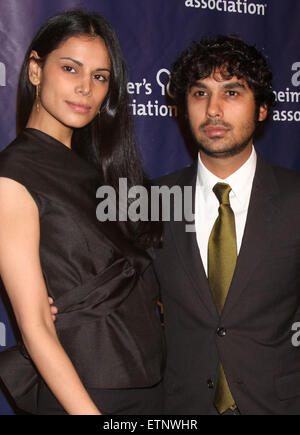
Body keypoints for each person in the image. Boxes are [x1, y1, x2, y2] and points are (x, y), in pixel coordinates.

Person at [0, 10, 164, 415]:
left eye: (100, 76)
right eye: (70, 68)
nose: (86, 88)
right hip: (86, 391)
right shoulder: (12, 176)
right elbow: (36, 324)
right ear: (35, 70)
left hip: (151, 381)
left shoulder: (102, 168)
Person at [152, 35, 300, 415]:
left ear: (263, 108)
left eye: (232, 93)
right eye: (200, 94)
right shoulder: (151, 201)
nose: (213, 110)